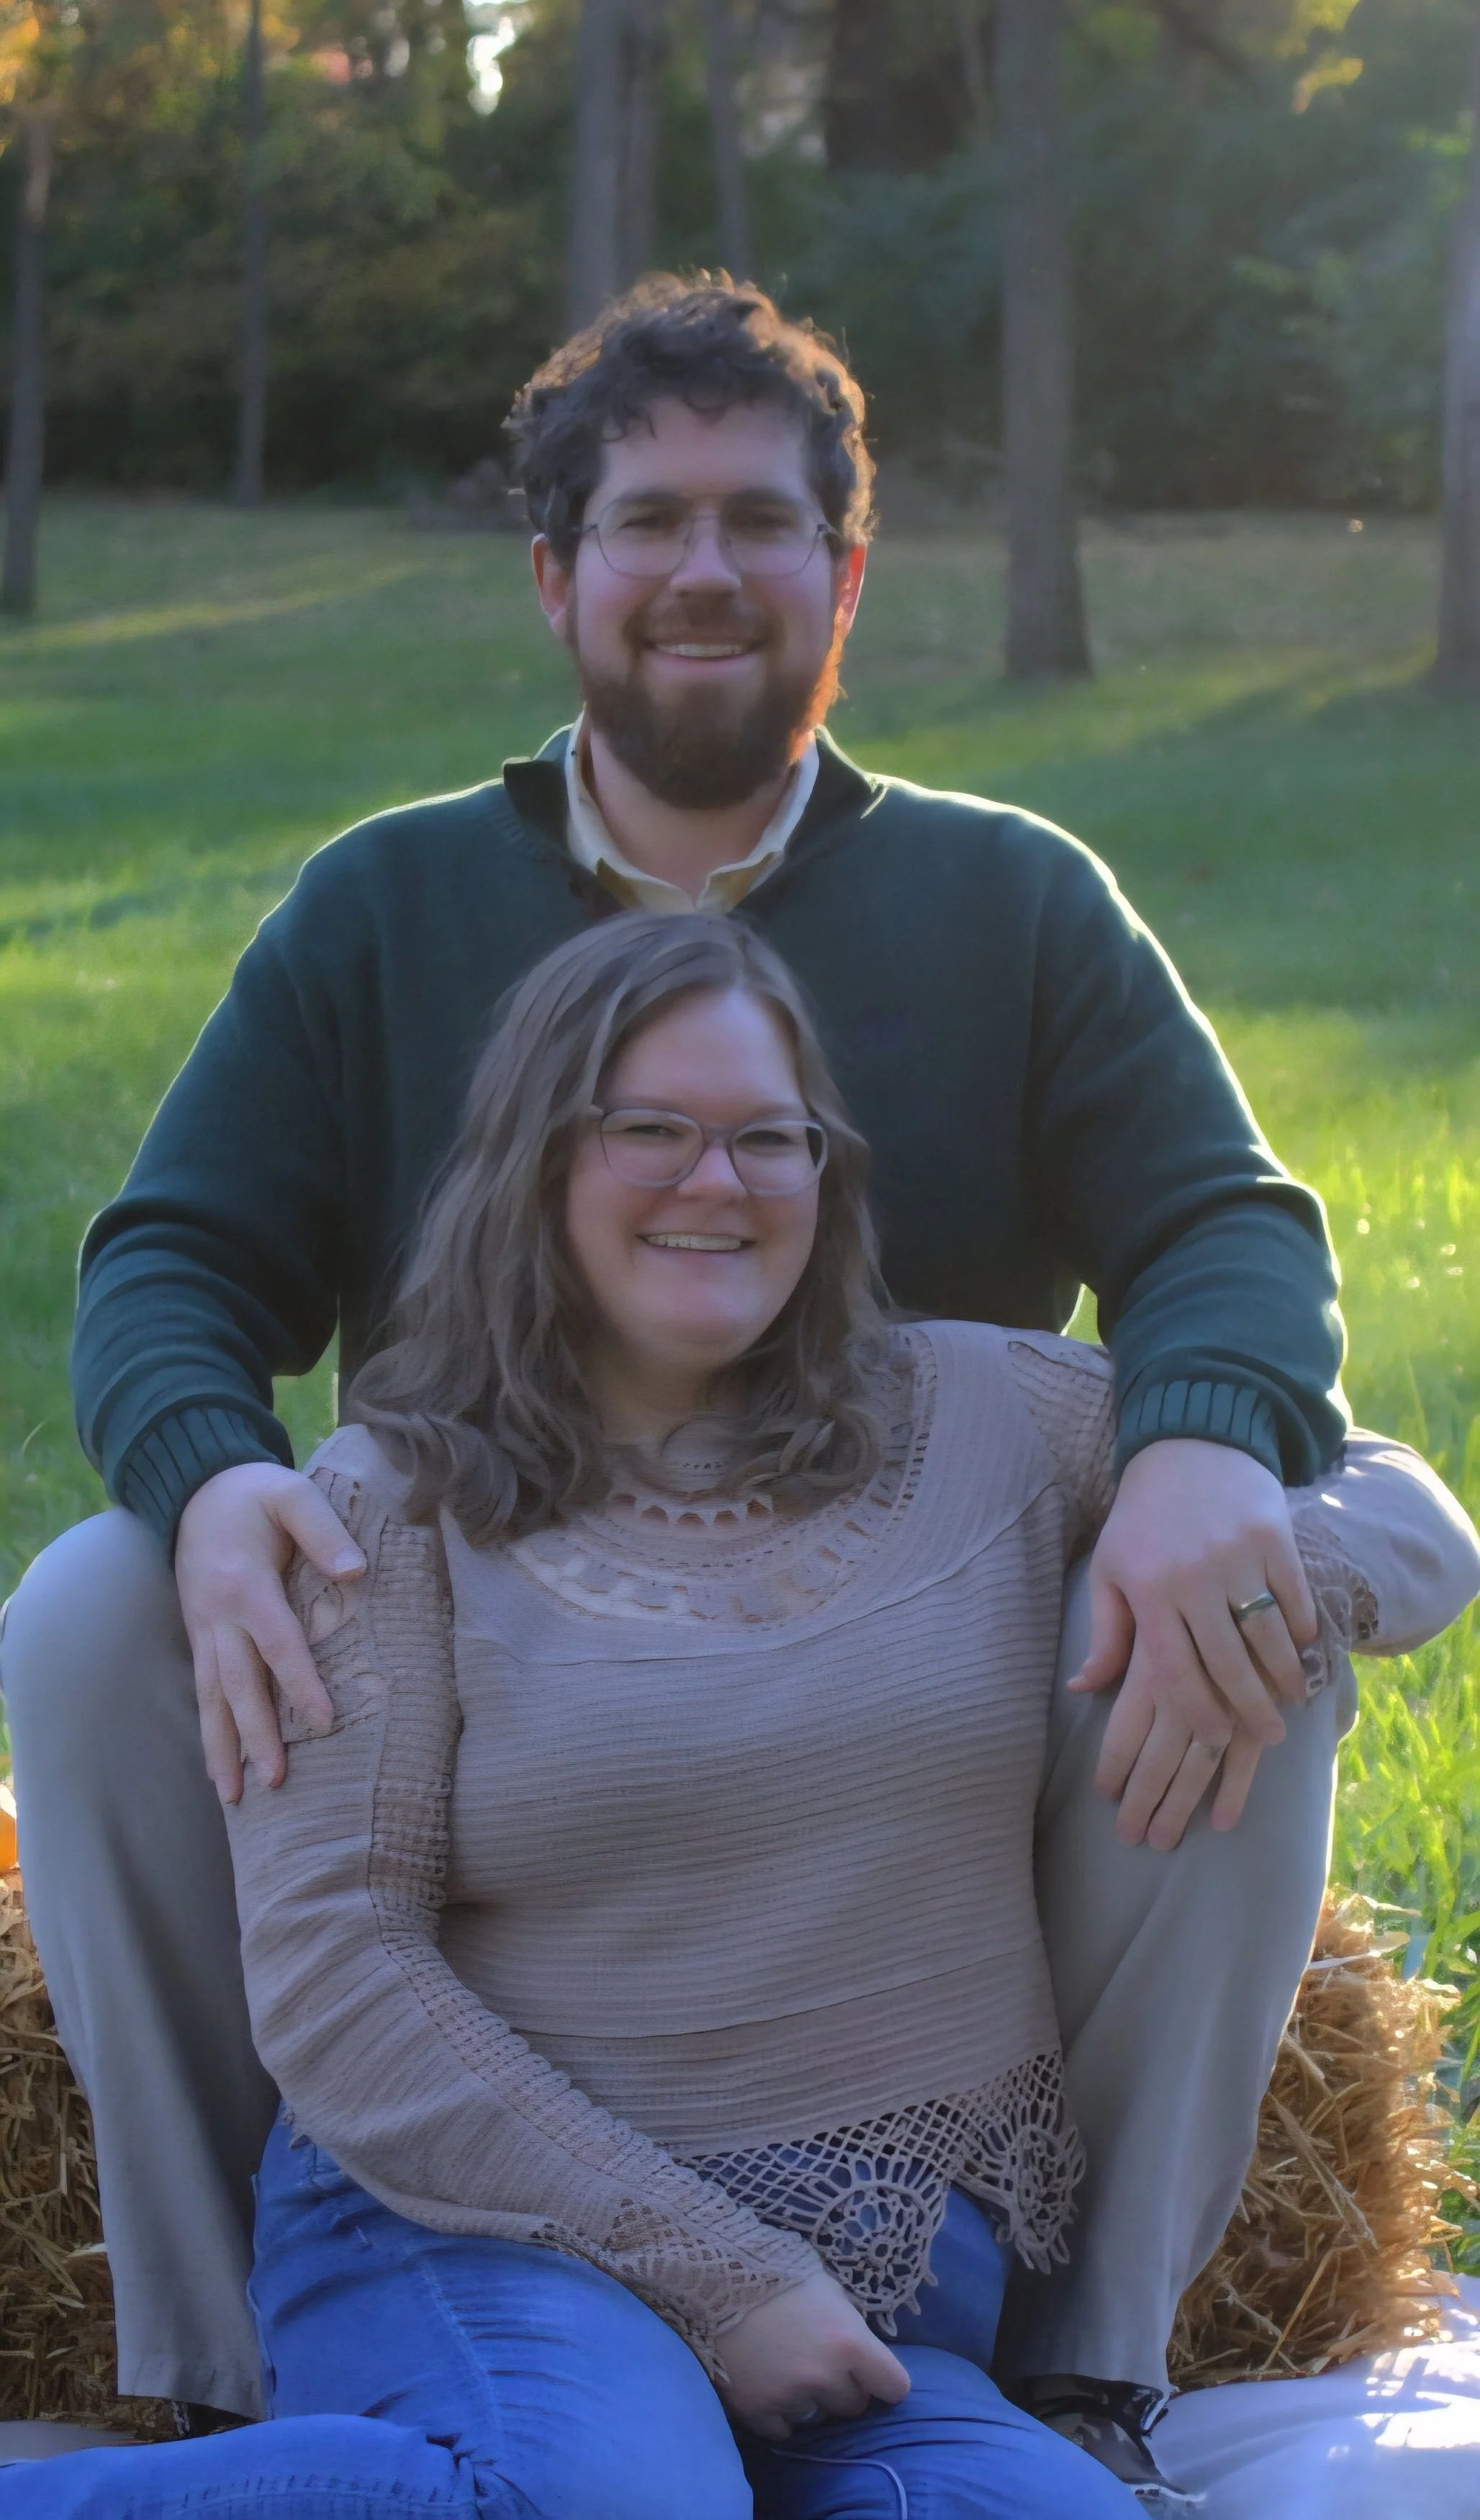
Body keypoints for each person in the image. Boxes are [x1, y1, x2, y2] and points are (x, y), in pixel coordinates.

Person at [3, 274, 1474, 2505]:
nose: (705, 568)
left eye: (763, 522)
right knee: (90, 1606)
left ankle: (1080, 2357)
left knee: (1244, 1615)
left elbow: (1229, 1226)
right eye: (648, 519)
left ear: (845, 576)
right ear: (555, 572)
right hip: (483, 1653)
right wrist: (213, 1486)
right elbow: (171, 1259)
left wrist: (1201, 1464)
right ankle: (229, 2361)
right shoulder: (384, 905)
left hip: (923, 1667)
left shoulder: (1011, 901)